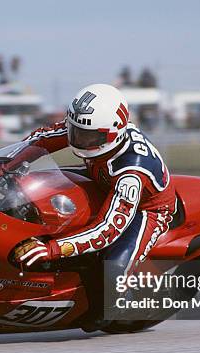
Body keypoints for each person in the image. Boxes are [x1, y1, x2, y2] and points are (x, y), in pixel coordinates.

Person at [12, 84, 176, 331]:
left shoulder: (132, 173)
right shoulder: (87, 130)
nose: (80, 140)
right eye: (76, 131)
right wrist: (9, 164)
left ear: (113, 134)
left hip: (147, 208)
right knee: (40, 187)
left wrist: (52, 249)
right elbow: (43, 138)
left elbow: (107, 230)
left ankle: (122, 305)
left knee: (114, 268)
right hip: (102, 178)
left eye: (89, 136)